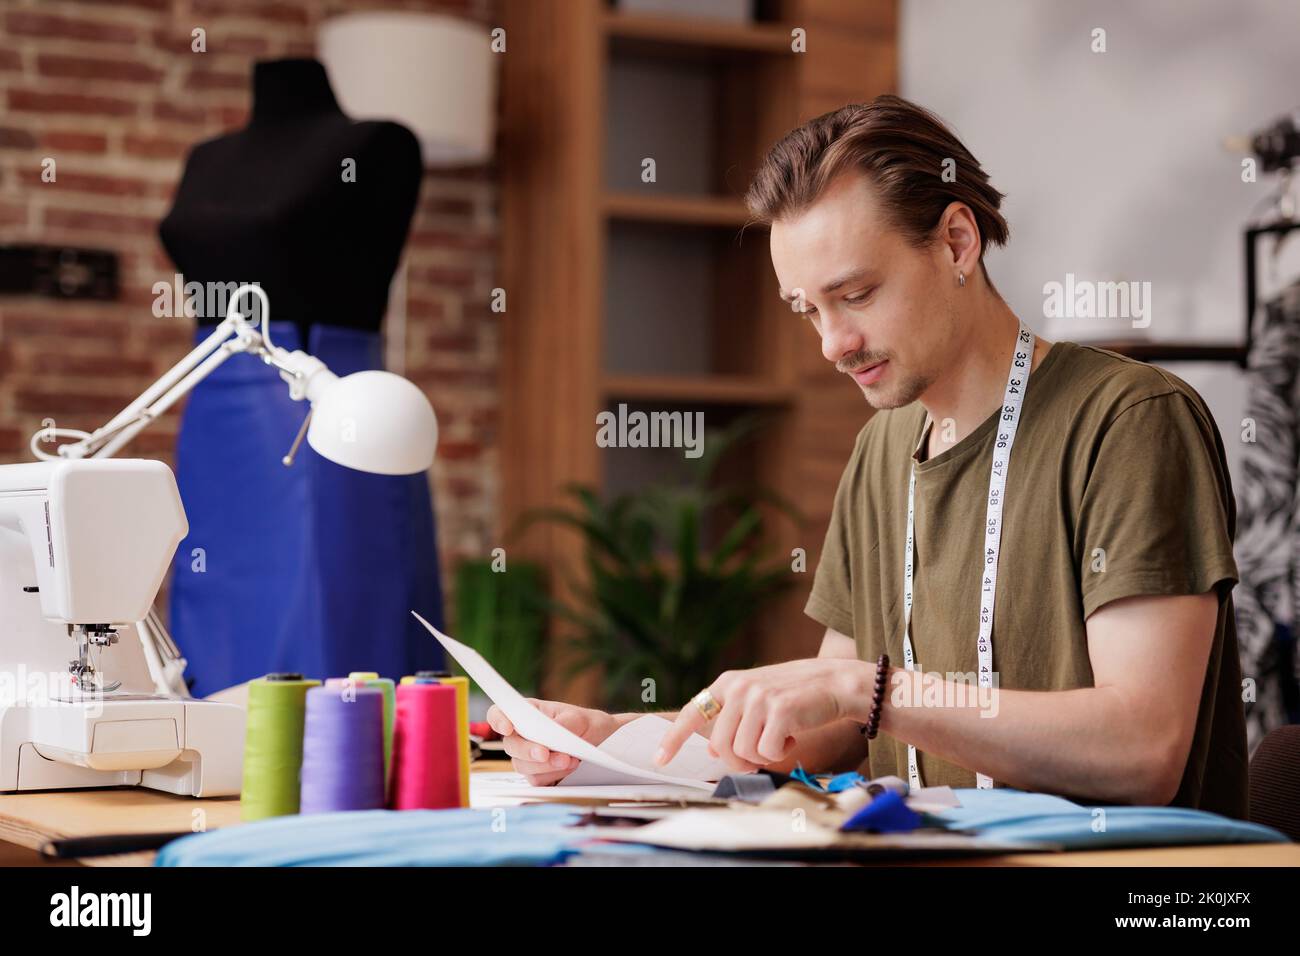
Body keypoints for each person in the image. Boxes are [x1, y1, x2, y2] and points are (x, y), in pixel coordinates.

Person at [487, 95, 1248, 816]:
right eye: (809, 309)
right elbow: (840, 732)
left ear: (957, 241)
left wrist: (869, 689)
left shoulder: (1130, 423)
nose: (832, 343)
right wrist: (622, 736)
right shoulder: (883, 448)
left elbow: (1142, 749)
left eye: (855, 294)